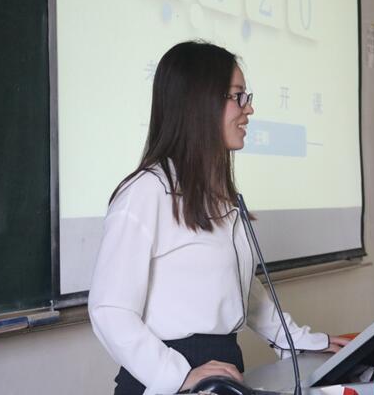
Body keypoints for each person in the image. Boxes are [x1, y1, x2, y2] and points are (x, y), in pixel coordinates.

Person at [88, 41, 348, 395]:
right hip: (172, 376)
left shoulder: (215, 194)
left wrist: (303, 341)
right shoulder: (146, 192)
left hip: (222, 368)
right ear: (200, 102)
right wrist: (177, 374)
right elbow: (109, 309)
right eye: (238, 96)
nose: (249, 108)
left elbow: (241, 290)